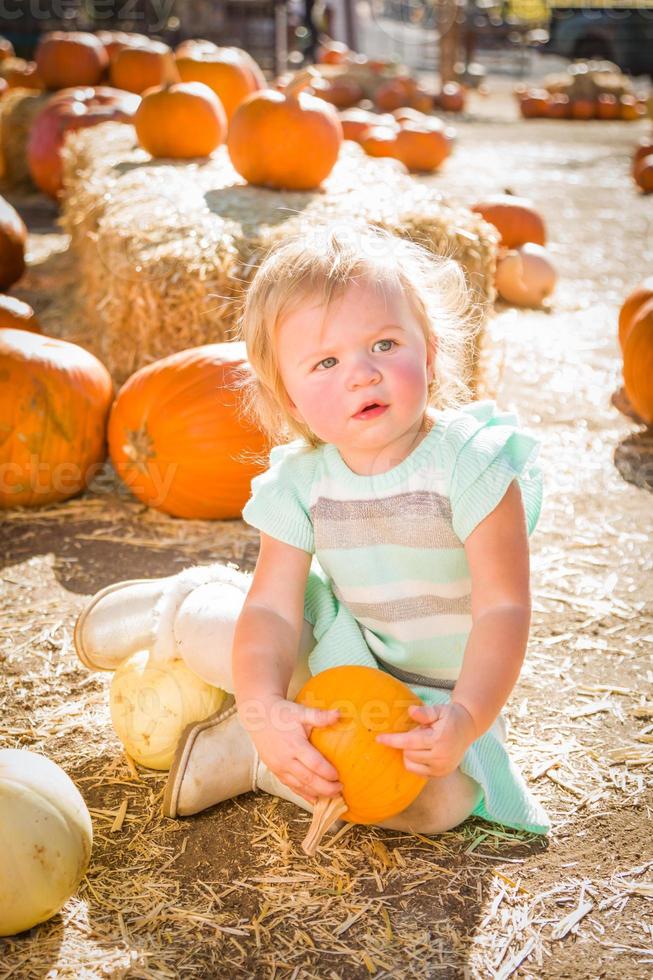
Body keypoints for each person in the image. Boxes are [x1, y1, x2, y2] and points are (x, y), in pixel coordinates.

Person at [75, 222, 549, 838]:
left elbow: (503, 610)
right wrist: (266, 707)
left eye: (383, 345)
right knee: (232, 634)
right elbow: (273, 611)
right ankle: (180, 609)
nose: (361, 374)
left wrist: (465, 716)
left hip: (436, 698)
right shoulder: (301, 481)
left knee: (434, 809)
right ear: (290, 400)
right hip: (338, 647)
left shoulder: (475, 465)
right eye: (326, 362)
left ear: (427, 350)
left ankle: (251, 757)